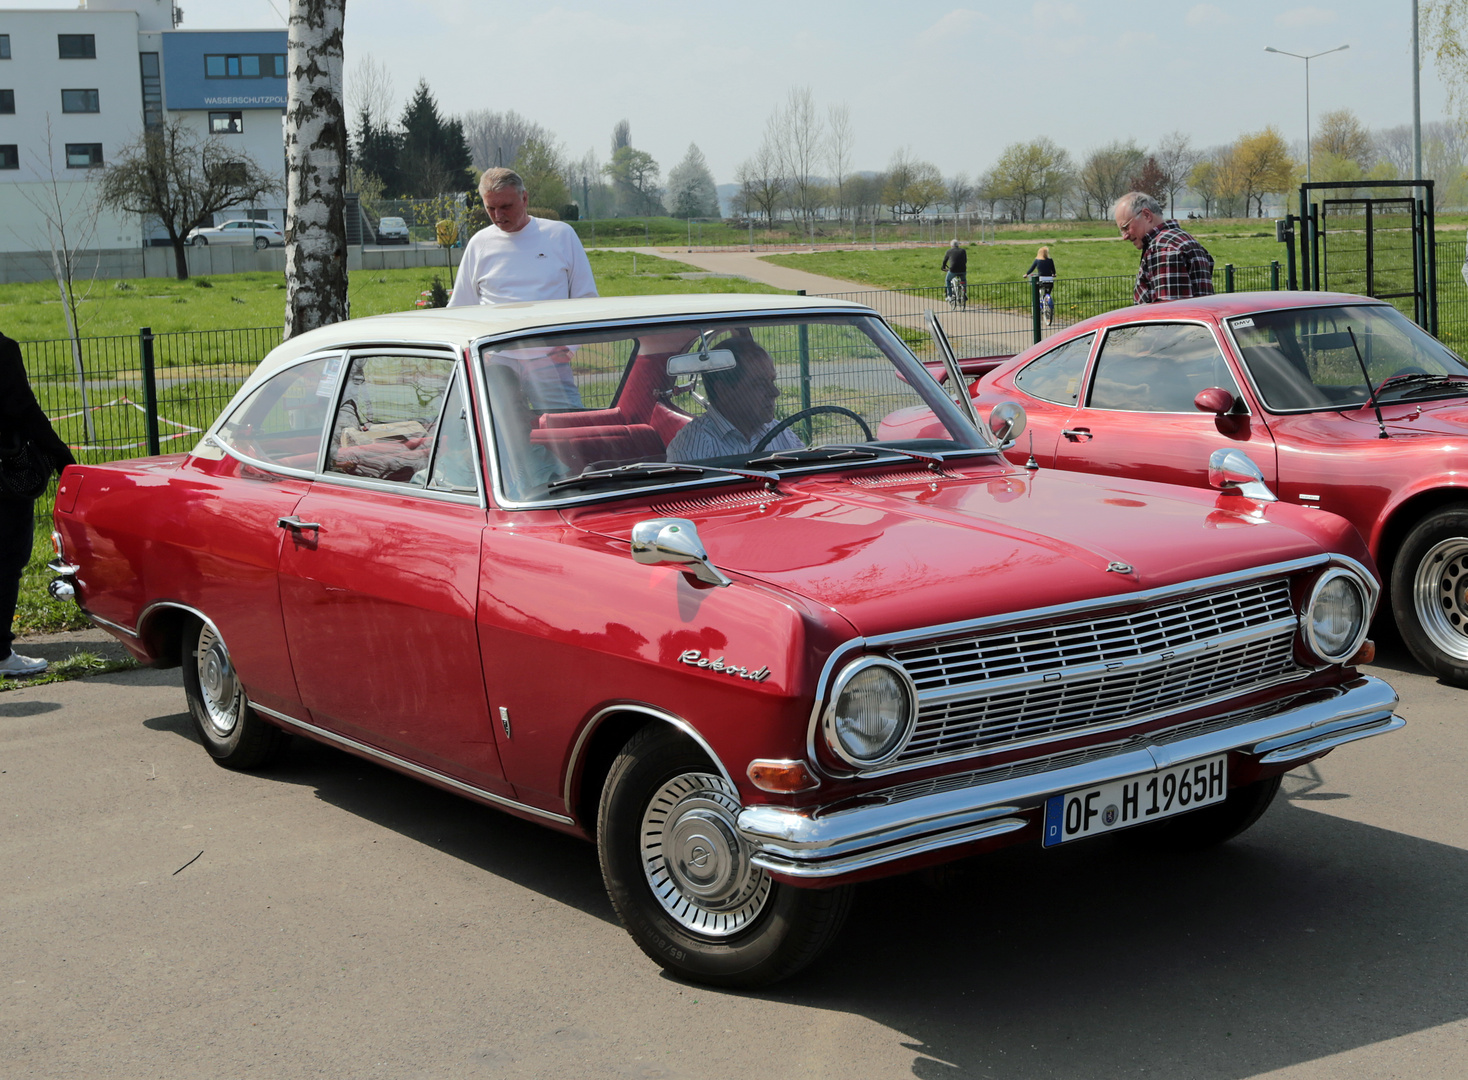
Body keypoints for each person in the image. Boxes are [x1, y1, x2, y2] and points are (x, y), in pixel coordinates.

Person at [1, 331, 75, 678]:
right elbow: (23, 409)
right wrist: (63, 459)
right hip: (5, 477)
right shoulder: (2, 350)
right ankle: (1, 654)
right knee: (7, 559)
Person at [448, 167, 598, 308]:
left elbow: (586, 299)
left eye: (506, 207)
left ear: (524, 198)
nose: (498, 215)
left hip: (551, 334)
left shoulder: (561, 235)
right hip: (498, 334)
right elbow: (460, 307)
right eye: (491, 208)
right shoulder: (479, 244)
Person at [665, 339, 803, 462]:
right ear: (723, 390)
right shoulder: (692, 448)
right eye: (759, 384)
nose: (775, 392)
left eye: (772, 381)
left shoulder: (780, 433)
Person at [1113, 192, 1215, 304]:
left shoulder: (1163, 248)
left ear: (1147, 215)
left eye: (1126, 227)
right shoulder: (1186, 239)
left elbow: (1170, 313)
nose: (1125, 236)